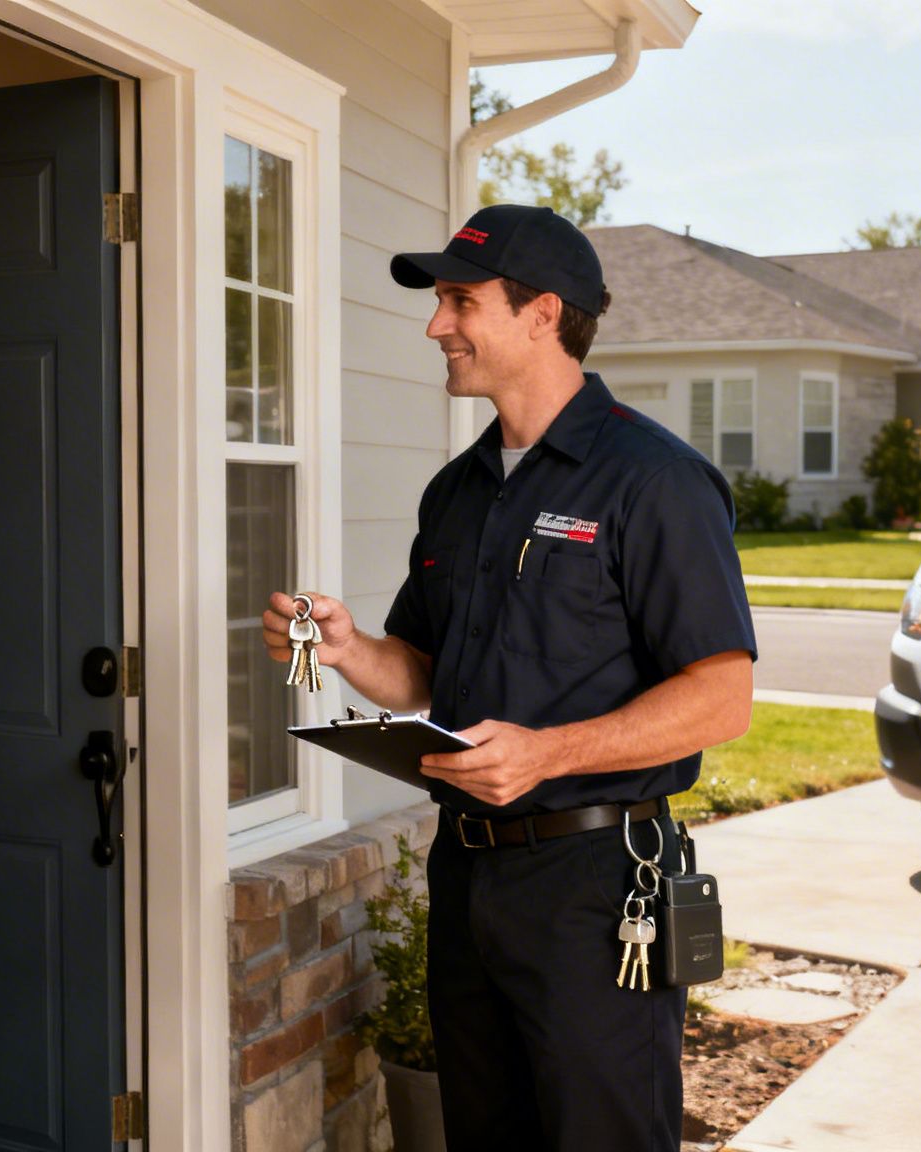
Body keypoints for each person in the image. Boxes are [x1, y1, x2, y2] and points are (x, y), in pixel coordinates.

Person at [263, 204, 756, 1150]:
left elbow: (721, 696)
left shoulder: (654, 481)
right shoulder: (457, 491)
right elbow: (423, 676)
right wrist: (348, 648)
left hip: (597, 882)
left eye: (460, 300)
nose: (435, 325)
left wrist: (546, 753)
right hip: (469, 875)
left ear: (543, 314)